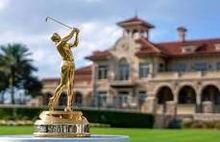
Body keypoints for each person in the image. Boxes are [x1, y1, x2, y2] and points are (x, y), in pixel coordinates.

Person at [48, 27, 79, 112]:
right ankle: (53, 100)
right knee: (63, 84)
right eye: (56, 35)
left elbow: (75, 44)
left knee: (71, 85)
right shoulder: (59, 44)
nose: (58, 35)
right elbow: (69, 36)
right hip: (65, 64)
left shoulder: (66, 44)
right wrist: (73, 31)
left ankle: (69, 106)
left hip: (72, 63)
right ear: (55, 39)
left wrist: (77, 34)